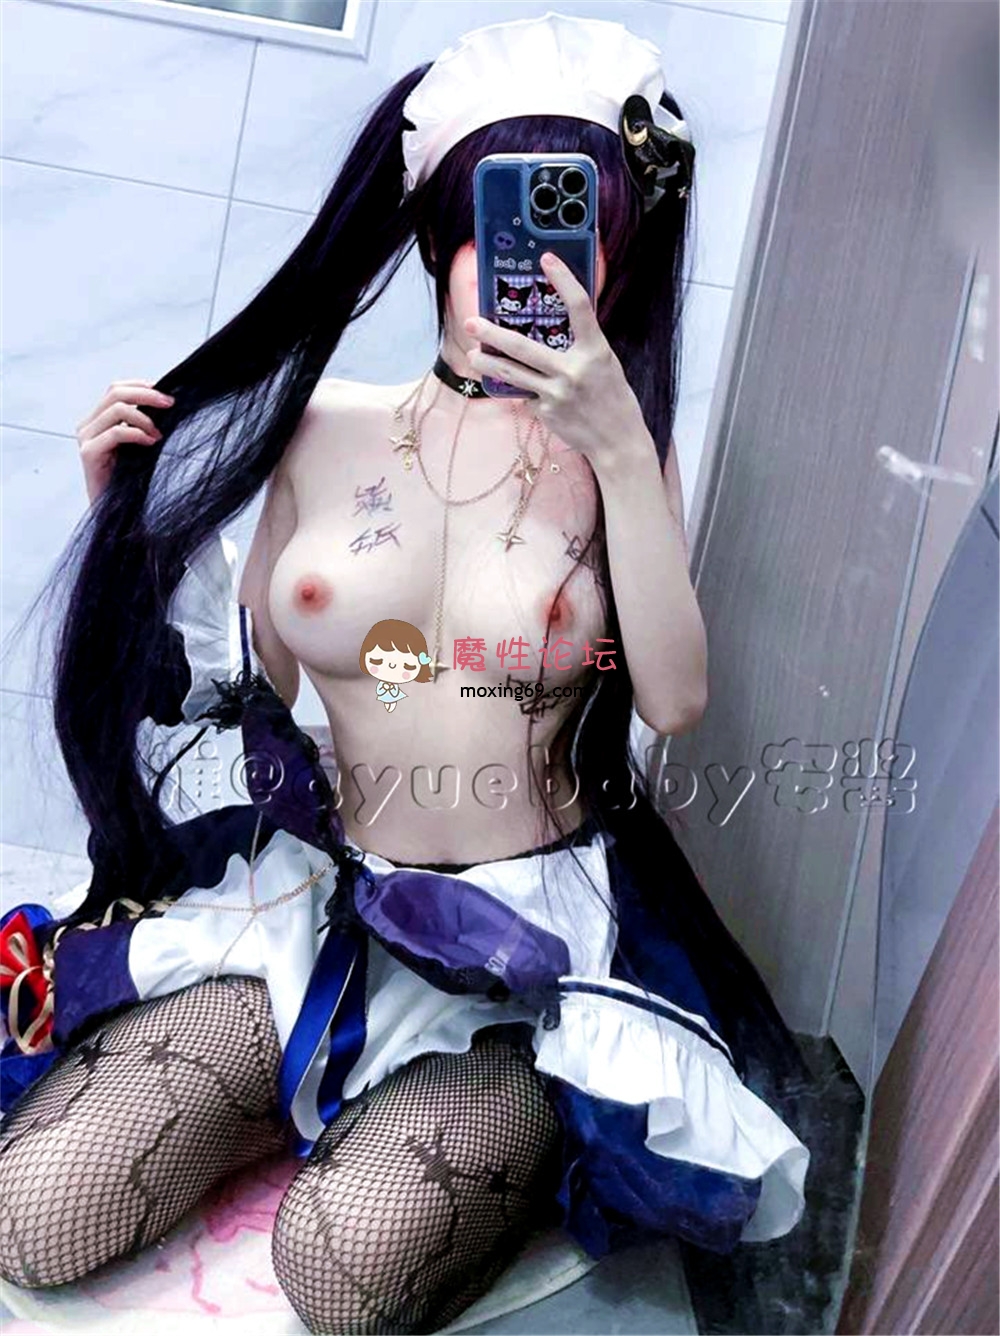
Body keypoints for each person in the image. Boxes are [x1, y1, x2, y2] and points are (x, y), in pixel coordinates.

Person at [0, 12, 814, 1334]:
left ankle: (473, 1134)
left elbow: (673, 699)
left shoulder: (625, 462)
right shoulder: (322, 430)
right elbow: (247, 687)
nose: (541, 265)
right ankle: (294, 1092)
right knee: (38, 1207)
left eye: (580, 230)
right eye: (505, 221)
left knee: (338, 1271)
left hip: (516, 964)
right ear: (441, 232)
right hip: (317, 905)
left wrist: (620, 451)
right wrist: (123, 529)